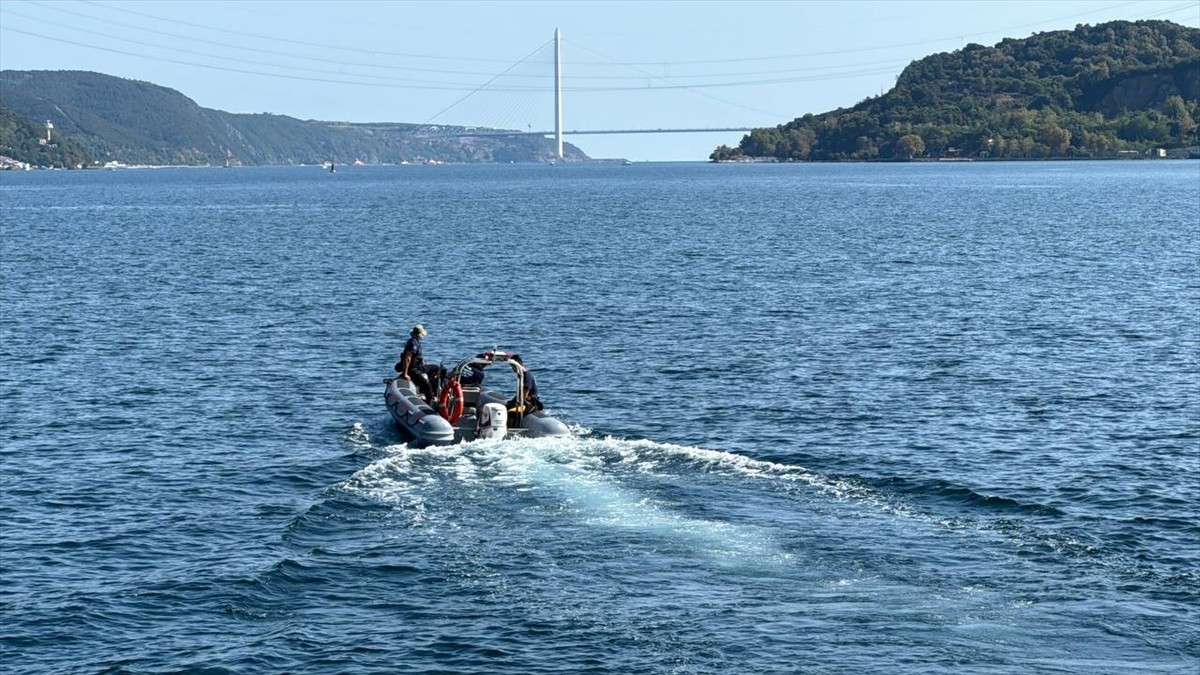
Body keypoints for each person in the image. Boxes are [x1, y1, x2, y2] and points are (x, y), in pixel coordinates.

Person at [396, 324, 434, 402]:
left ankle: (433, 386)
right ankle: (431, 401)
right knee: (427, 386)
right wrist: (405, 374)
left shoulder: (417, 342)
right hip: (413, 369)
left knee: (437, 368)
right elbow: (407, 359)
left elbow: (416, 357)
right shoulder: (412, 343)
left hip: (419, 367)